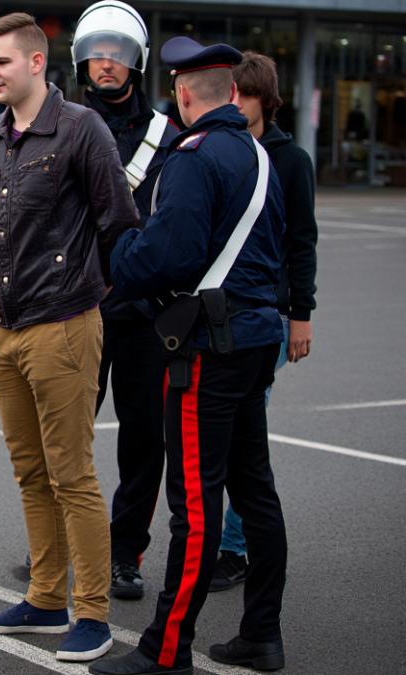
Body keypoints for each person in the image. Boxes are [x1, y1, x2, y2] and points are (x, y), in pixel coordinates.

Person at [90, 37, 289, 675]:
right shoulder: (259, 156)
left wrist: (121, 247)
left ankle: (166, 649)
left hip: (208, 348)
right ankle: (261, 632)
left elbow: (164, 257)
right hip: (257, 339)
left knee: (195, 506)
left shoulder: (193, 156)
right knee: (256, 493)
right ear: (233, 93)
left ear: (181, 94)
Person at [0, 12, 137, 664]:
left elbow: (118, 223)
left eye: (2, 62)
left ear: (37, 62)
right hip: (3, 327)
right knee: (30, 470)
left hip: (64, 326)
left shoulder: (81, 129)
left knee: (73, 475)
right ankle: (43, 595)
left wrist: (88, 301)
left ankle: (90, 612)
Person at [71, 0, 180, 603]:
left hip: (142, 313)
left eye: (116, 52)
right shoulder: (57, 121)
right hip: (74, 306)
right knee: (67, 436)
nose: (104, 62)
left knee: (143, 439)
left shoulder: (167, 136)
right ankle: (67, 544)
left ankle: (124, 552)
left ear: (135, 62)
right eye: (96, 52)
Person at [210, 50, 318, 593]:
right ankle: (221, 542)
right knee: (222, 437)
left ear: (264, 101)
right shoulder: (219, 151)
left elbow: (303, 241)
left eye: (243, 94)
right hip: (217, 314)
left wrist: (301, 315)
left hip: (268, 315)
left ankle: (234, 546)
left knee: (242, 441)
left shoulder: (289, 159)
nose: (233, 103)